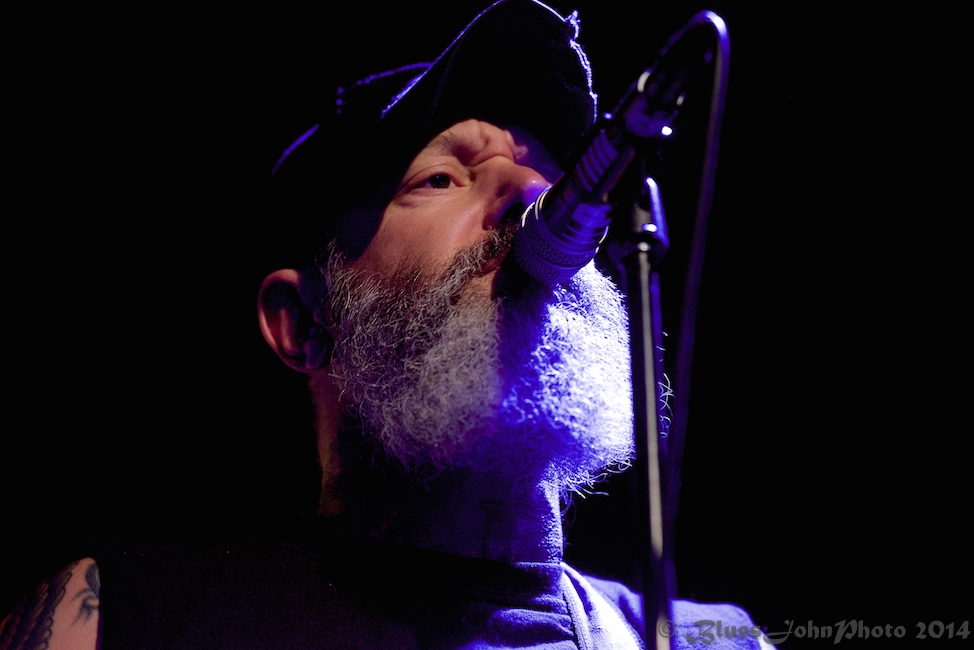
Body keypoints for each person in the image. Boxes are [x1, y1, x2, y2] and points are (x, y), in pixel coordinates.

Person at [1, 1, 771, 648]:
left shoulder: (716, 643)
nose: (528, 193)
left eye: (546, 172)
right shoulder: (123, 619)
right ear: (304, 323)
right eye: (440, 178)